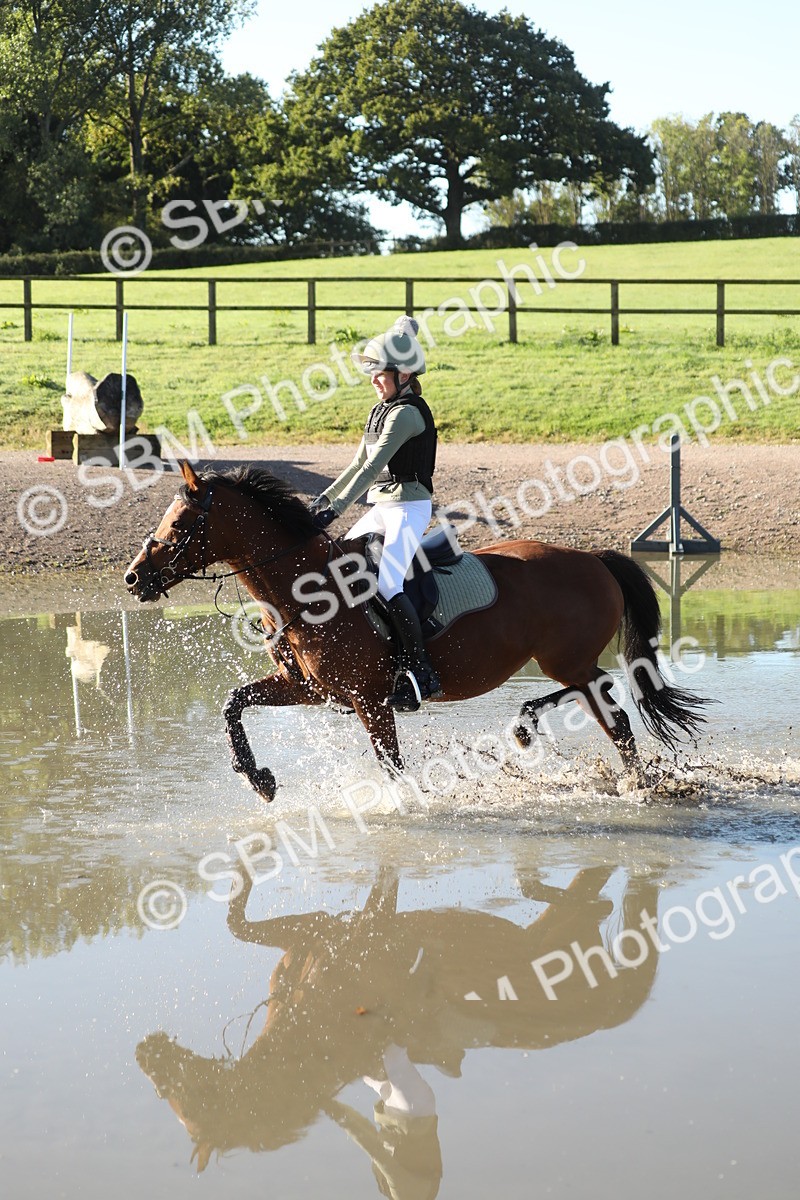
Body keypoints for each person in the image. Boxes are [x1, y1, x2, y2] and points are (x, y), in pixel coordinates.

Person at [310, 316, 440, 712]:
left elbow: (371, 469)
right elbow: (355, 465)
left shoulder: (406, 414)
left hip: (410, 507)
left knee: (387, 583)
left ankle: (420, 672)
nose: (372, 380)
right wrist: (319, 503)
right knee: (339, 564)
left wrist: (334, 511)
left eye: (379, 372)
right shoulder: (380, 410)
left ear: (404, 374)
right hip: (384, 506)